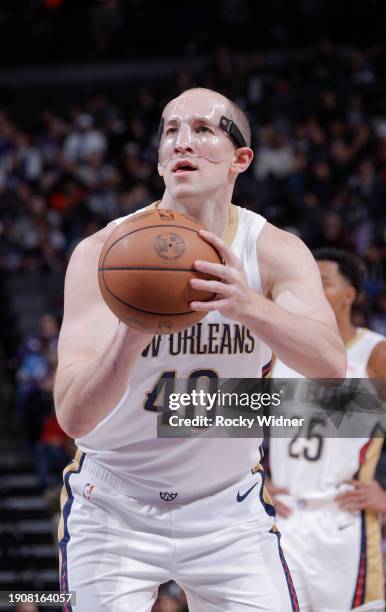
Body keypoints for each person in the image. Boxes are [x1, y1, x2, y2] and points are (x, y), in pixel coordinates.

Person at [54, 88, 345, 611]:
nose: (182, 141)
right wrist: (133, 327)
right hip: (114, 505)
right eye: (170, 130)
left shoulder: (273, 250)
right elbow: (73, 415)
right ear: (161, 159)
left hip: (228, 509)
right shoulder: (103, 254)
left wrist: (247, 305)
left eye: (204, 129)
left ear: (241, 159)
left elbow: (330, 368)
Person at [268, 247, 386, 612]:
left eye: (323, 282)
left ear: (351, 294)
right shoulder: (277, 349)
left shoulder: (380, 355)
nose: (311, 290)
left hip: (342, 525)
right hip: (280, 520)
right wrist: (258, 481)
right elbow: (228, 423)